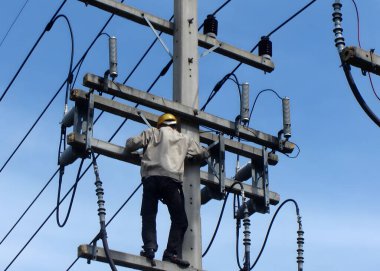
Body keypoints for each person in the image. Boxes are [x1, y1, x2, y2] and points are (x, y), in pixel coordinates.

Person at [125, 113, 209, 267]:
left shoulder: (152, 132)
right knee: (180, 220)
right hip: (171, 182)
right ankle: (171, 253)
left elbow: (130, 144)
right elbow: (202, 153)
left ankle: (149, 247)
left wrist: (143, 150)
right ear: (174, 125)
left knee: (149, 215)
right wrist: (194, 157)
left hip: (151, 179)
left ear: (160, 124)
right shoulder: (183, 138)